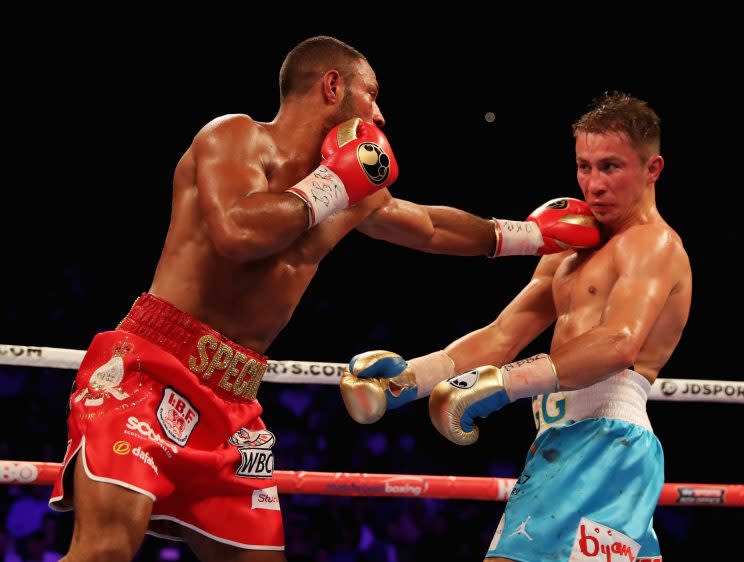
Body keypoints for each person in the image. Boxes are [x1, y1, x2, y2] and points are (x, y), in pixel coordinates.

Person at [47, 36, 599, 562]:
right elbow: (239, 235)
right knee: (107, 548)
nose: (380, 117)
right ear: (333, 87)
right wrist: (334, 182)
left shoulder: (355, 193)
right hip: (152, 369)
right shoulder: (234, 138)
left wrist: (535, 237)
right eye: (372, 95)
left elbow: (430, 227)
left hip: (234, 401)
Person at [342, 91, 690, 562]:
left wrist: (502, 386)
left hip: (605, 439)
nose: (593, 184)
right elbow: (503, 335)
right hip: (564, 441)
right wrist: (411, 379)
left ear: (653, 170)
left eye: (611, 167)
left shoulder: (654, 244)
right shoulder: (569, 250)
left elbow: (618, 343)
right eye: (584, 166)